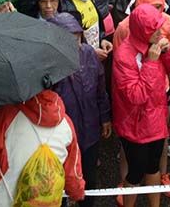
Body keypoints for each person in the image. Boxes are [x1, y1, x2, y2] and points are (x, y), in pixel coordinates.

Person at [0, 86, 86, 206]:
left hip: (3, 200)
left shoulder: (5, 116)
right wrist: (77, 194)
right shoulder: (67, 124)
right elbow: (74, 179)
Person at [112, 3, 170, 207]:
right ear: (143, 31)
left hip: (157, 120)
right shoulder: (124, 55)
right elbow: (135, 95)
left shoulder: (158, 42)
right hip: (135, 126)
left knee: (153, 168)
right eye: (155, 29)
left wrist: (169, 52)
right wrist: (151, 62)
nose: (161, 31)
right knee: (135, 172)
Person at [46, 12, 110, 207]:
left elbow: (101, 87)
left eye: (77, 37)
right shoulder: (47, 64)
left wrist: (105, 117)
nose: (74, 43)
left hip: (89, 130)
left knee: (89, 176)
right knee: (60, 179)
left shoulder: (89, 54)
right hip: (61, 138)